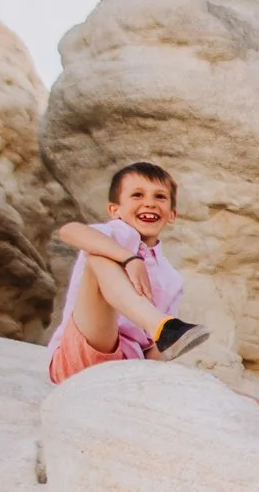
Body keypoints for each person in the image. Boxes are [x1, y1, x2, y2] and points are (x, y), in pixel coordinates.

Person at [45, 161, 212, 384]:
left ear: (172, 214)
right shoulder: (115, 233)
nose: (150, 203)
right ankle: (161, 326)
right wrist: (129, 258)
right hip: (82, 353)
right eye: (137, 195)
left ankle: (163, 330)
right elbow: (69, 231)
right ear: (114, 210)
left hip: (125, 368)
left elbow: (152, 352)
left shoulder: (171, 278)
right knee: (99, 257)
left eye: (160, 197)